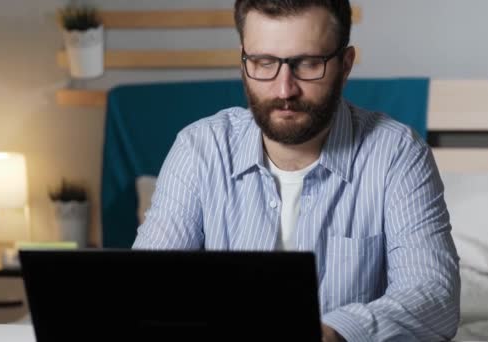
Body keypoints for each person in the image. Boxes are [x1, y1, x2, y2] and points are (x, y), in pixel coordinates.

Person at [133, 0, 460, 340]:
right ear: (244, 62)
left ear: (345, 65)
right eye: (263, 63)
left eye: (307, 63)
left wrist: (334, 334)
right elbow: (146, 289)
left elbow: (435, 297)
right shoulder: (199, 149)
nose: (284, 89)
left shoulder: (397, 154)